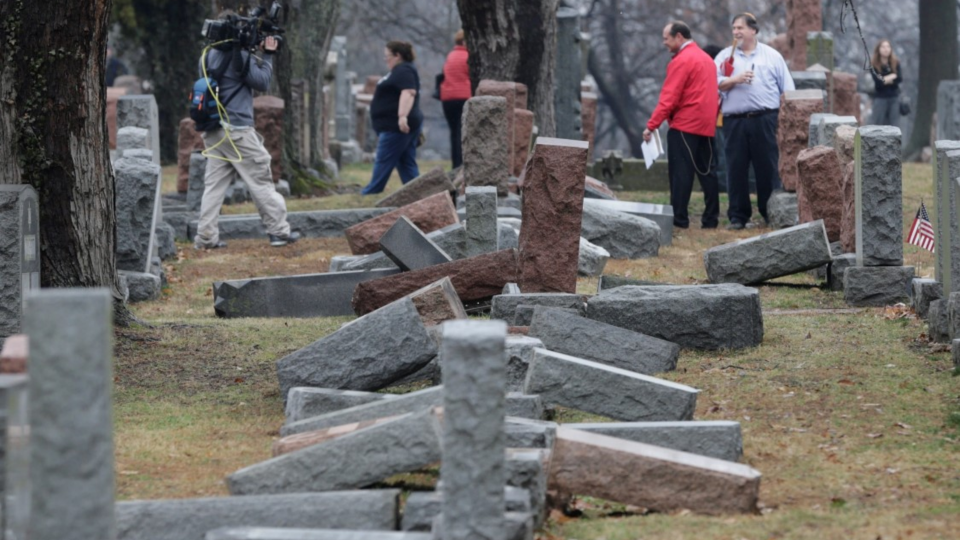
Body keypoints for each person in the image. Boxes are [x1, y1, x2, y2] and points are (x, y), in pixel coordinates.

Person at [193, 31, 299, 249]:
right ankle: (279, 231)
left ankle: (205, 237)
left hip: (213, 130)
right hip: (238, 130)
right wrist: (267, 55)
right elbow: (262, 82)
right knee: (260, 179)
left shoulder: (207, 55)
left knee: (213, 186)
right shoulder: (239, 56)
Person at [715, 12, 795, 230]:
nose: (736, 32)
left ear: (753, 30)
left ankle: (770, 212)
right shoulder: (724, 57)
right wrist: (735, 79)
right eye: (734, 29)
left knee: (767, 168)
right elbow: (713, 84)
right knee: (736, 167)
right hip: (734, 121)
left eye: (740, 28)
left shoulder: (772, 56)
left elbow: (787, 89)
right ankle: (738, 216)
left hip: (764, 119)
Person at [643, 21, 720, 229]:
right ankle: (711, 219)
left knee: (681, 175)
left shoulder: (681, 61)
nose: (664, 43)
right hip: (706, 125)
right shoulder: (707, 59)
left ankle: (679, 220)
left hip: (685, 126)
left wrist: (652, 126)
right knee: (707, 173)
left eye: (666, 38)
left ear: (679, 37)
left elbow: (669, 98)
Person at [361, 41, 423, 195]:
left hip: (396, 127)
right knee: (406, 162)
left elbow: (408, 92)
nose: (385, 59)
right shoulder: (399, 70)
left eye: (387, 56)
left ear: (398, 56)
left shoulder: (404, 70)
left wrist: (402, 117)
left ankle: (372, 191)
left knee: (383, 160)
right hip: (396, 126)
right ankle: (418, 193)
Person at [440, 30, 471, 169]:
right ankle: (462, 164)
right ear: (464, 41)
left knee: (454, 132)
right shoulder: (468, 56)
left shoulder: (450, 56)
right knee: (463, 131)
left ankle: (455, 164)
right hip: (463, 97)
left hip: (447, 99)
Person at [870, 40, 903, 127]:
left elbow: (899, 78)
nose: (886, 49)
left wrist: (884, 79)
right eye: (883, 47)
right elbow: (878, 82)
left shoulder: (896, 63)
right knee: (878, 124)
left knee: (895, 125)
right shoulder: (874, 65)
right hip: (880, 98)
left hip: (894, 97)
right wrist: (891, 76)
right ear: (878, 49)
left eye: (888, 46)